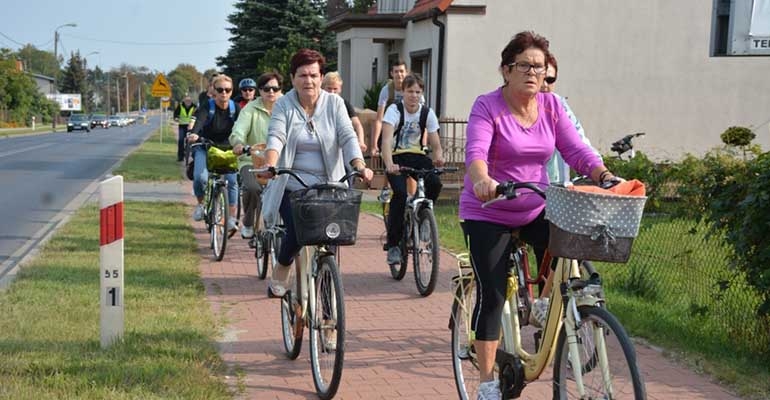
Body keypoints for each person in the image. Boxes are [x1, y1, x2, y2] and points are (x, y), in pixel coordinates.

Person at [459, 31, 618, 400]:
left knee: (570, 243)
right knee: (494, 294)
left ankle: (544, 304)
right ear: (506, 69)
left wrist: (604, 175)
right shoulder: (487, 106)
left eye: (540, 66)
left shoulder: (552, 106)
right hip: (488, 210)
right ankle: (486, 382)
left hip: (534, 204)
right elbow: (476, 152)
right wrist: (482, 180)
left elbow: (576, 150)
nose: (534, 72)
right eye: (525, 65)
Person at [259, 49, 373, 297]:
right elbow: (276, 136)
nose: (308, 80)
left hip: (329, 187)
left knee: (331, 242)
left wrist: (359, 165)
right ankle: (283, 264)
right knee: (298, 232)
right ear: (293, 78)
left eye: (313, 75)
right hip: (293, 185)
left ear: (321, 77)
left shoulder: (335, 104)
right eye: (302, 75)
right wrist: (270, 164)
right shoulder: (284, 105)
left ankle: (329, 318)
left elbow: (347, 136)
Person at [380, 74, 445, 266]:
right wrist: (390, 163)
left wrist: (438, 156)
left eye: (417, 92)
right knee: (399, 194)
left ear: (422, 93)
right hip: (397, 156)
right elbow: (385, 141)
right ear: (403, 92)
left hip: (417, 156)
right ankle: (393, 245)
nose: (414, 96)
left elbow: (435, 142)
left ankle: (423, 215)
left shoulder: (427, 113)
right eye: (410, 91)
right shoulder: (394, 110)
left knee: (435, 182)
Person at [230, 71, 284, 239]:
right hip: (251, 159)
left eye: (275, 88)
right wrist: (239, 143)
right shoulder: (250, 109)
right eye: (266, 89)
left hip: (280, 161)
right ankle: (248, 221)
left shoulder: (287, 106)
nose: (271, 92)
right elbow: (238, 131)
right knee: (253, 188)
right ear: (259, 91)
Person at [187, 74, 241, 234]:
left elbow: (242, 127)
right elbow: (199, 122)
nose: (224, 93)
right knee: (200, 177)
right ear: (214, 91)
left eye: (228, 90)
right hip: (205, 146)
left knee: (232, 181)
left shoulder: (235, 108)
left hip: (228, 148)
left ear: (231, 91)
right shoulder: (207, 106)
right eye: (220, 90)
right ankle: (201, 204)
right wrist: (194, 134)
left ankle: (231, 218)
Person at [540, 54, 601, 186]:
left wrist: (603, 175)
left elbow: (579, 144)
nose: (544, 85)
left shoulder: (559, 104)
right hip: (522, 191)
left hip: (558, 188)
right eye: (540, 78)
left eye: (550, 79)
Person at [321, 71, 367, 154]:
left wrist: (361, 141)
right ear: (323, 88)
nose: (332, 92)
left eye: (335, 89)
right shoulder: (318, 104)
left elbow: (357, 124)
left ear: (340, 89)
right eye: (329, 88)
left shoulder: (344, 104)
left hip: (341, 144)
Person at [173, 95, 196, 162]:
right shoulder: (180, 106)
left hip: (190, 127)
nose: (188, 102)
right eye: (186, 101)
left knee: (189, 141)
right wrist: (176, 118)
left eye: (189, 101)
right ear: (184, 101)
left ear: (191, 101)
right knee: (180, 140)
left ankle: (188, 152)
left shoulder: (194, 107)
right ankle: (180, 157)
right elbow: (175, 114)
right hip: (182, 125)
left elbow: (197, 115)